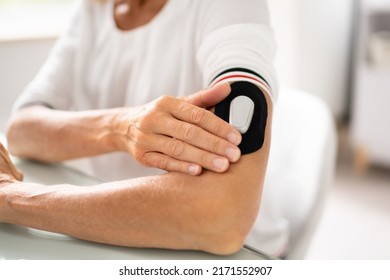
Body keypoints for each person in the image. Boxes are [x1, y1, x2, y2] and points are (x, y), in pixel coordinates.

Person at [1, 0, 281, 255]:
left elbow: (223, 216)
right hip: (112, 234)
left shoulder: (230, 7)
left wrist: (12, 199)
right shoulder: (92, 10)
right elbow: (22, 131)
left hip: (237, 254)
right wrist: (119, 127)